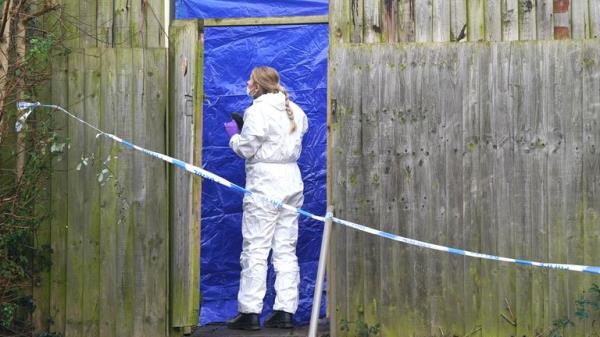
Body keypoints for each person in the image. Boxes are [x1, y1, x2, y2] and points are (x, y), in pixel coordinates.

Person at [223, 66, 309, 330]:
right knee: (285, 249)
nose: (247, 85)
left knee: (256, 249)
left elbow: (247, 149)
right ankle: (285, 311)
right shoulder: (297, 111)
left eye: (250, 81)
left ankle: (250, 312)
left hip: (264, 184)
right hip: (291, 182)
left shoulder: (257, 110)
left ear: (257, 87)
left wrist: (234, 136)